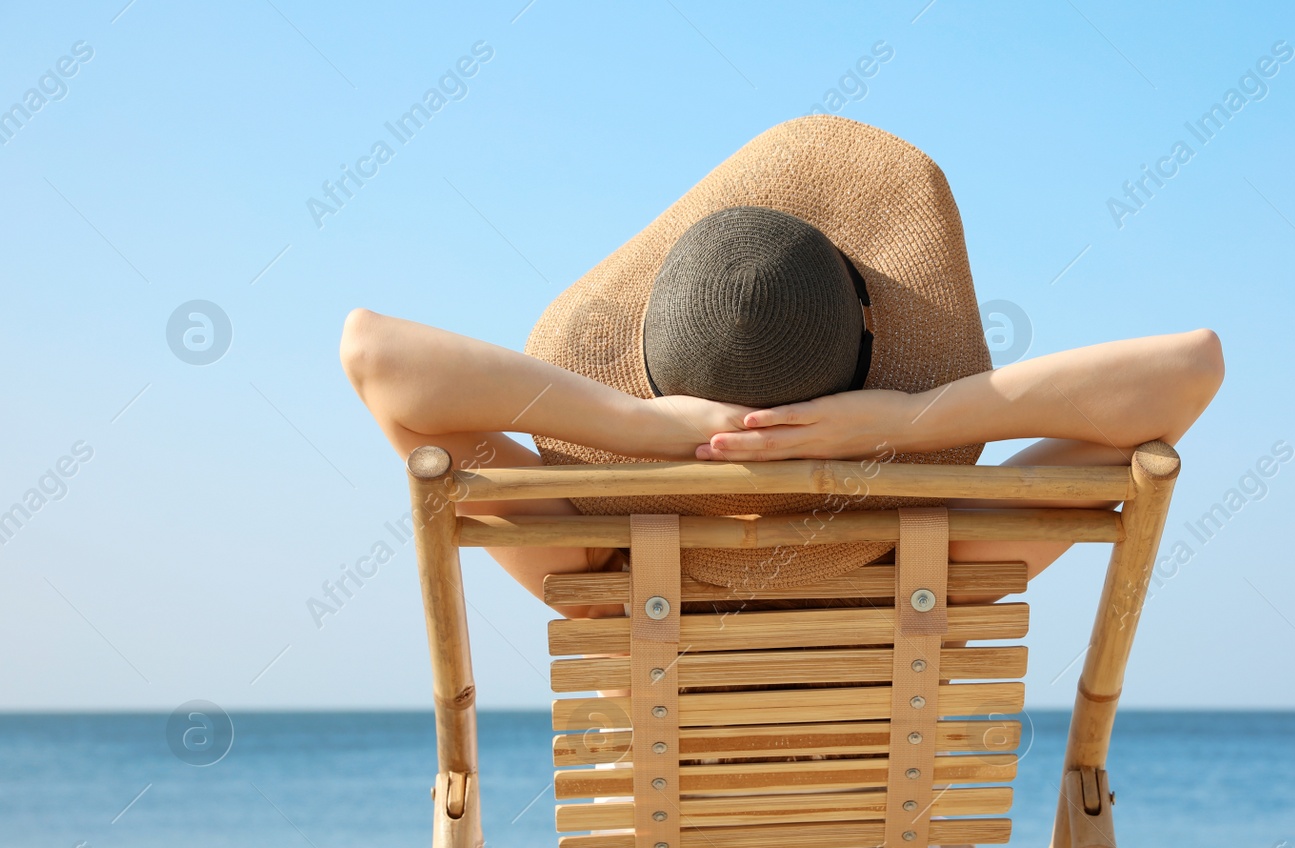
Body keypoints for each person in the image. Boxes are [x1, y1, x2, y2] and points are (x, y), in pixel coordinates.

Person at [340, 117, 1222, 617]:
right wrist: (912, 421)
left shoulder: (598, 576)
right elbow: (1188, 372)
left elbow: (373, 355)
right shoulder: (943, 569)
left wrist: (642, 429)